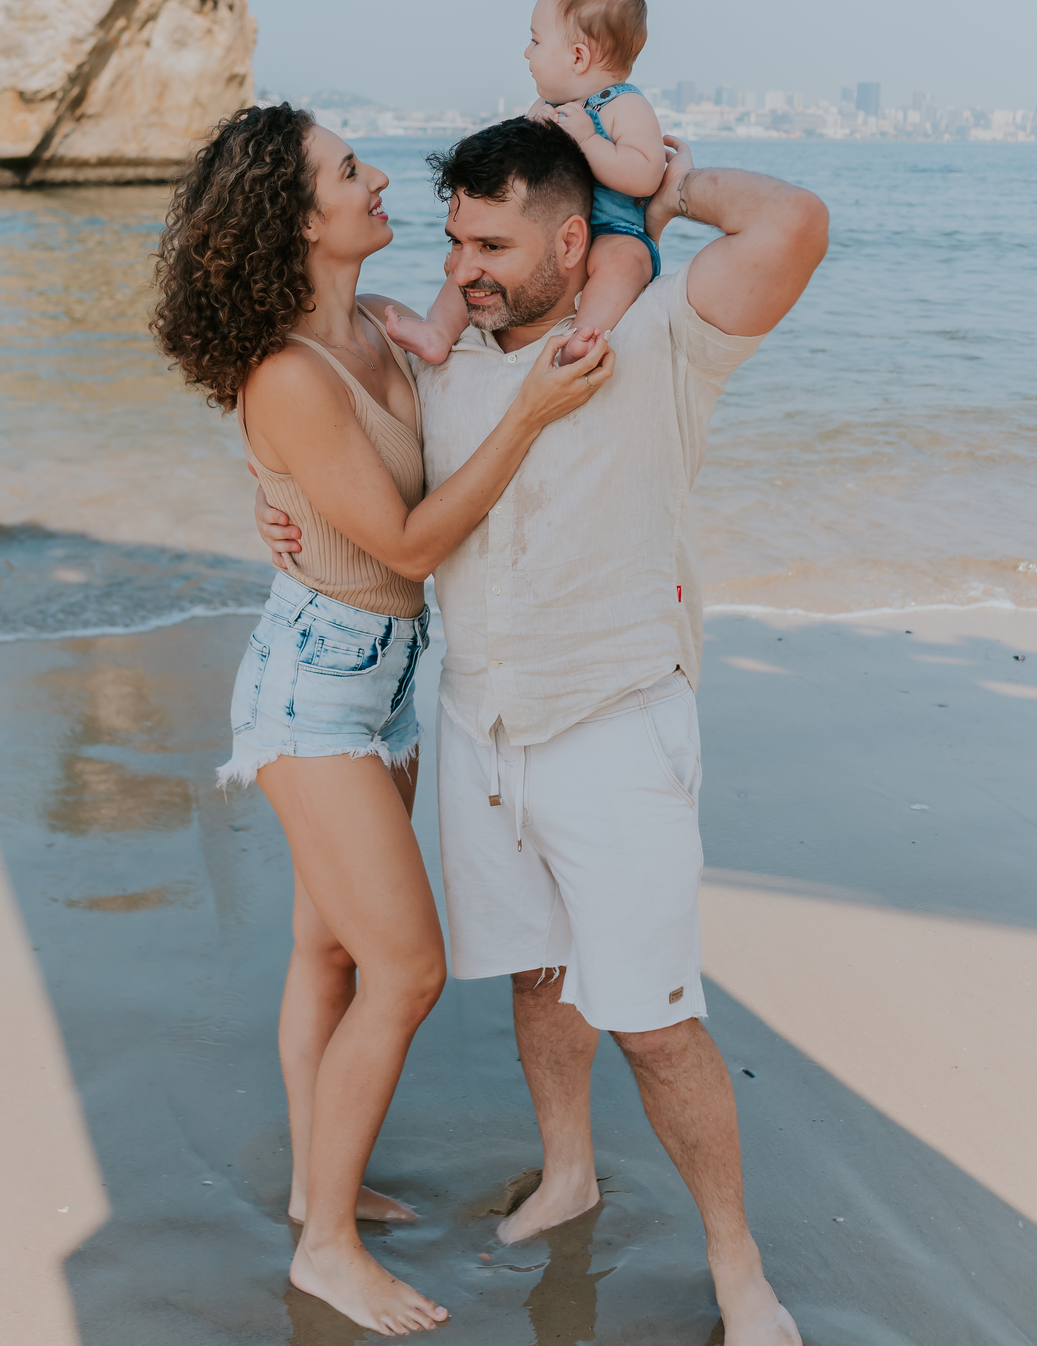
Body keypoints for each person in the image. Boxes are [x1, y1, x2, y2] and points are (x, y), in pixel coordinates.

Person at [257, 117, 828, 1345]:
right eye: (456, 236)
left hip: (614, 723)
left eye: (495, 242)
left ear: (574, 242)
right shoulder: (439, 368)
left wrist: (665, 188)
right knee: (539, 972)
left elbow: (793, 226)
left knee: (658, 1022)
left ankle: (738, 1265)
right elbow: (343, 455)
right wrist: (283, 515)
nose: (463, 265)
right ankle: (566, 1172)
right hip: (478, 725)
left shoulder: (660, 338)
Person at [150, 102, 613, 1337]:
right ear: (298, 218)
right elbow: (407, 537)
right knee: (404, 969)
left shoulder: (368, 327)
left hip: (387, 679)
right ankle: (326, 1248)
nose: (375, 179)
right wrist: (532, 417)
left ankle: (320, 1180)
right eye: (348, 170)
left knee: (333, 955)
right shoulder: (290, 373)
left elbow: (544, 253)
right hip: (313, 694)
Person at [384, 0, 666, 367]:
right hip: (550, 228)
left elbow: (645, 175)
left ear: (578, 56)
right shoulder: (542, 110)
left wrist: (588, 140)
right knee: (471, 261)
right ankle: (437, 330)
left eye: (535, 41)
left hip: (613, 229)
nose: (526, 53)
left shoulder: (624, 106)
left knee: (624, 263)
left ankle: (579, 339)